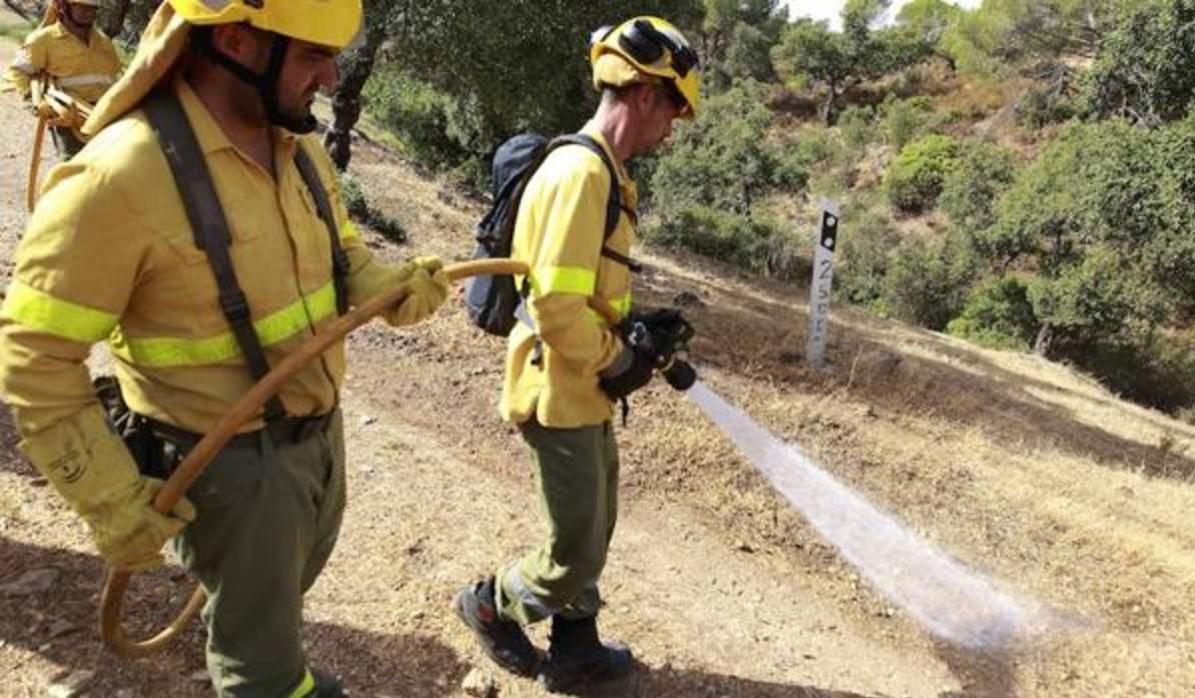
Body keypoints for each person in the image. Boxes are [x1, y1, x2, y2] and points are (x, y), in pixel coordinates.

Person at [0, 1, 451, 696]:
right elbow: (35, 360)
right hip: (229, 470)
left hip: (317, 442)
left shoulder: (296, 148)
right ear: (237, 41)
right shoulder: (119, 178)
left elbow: (344, 258)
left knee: (273, 601)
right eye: (313, 56)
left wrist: (386, 287)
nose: (331, 78)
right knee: (259, 666)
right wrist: (107, 496)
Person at [453, 15, 701, 694]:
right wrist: (619, 361)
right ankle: (490, 604)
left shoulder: (606, 174)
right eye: (673, 109)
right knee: (573, 551)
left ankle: (576, 645)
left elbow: (583, 291)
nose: (672, 128)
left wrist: (633, 327)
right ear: (644, 95)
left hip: (581, 383)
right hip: (558, 388)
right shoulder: (581, 173)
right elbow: (557, 309)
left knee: (597, 522)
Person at [5, 0, 122, 158]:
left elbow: (118, 77)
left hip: (107, 114)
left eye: (93, 9)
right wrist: (33, 101)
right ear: (62, 7)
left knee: (110, 163)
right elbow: (19, 71)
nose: (89, 13)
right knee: (73, 164)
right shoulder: (43, 40)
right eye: (82, 7)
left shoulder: (104, 42)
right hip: (69, 117)